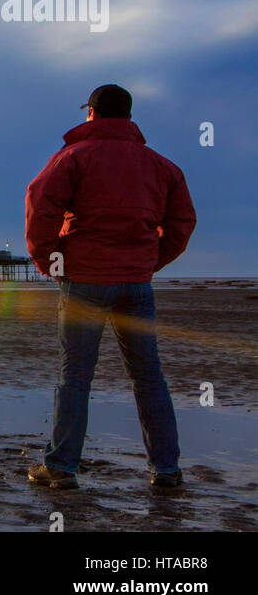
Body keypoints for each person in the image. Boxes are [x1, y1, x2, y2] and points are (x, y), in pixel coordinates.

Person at [24, 84, 196, 491]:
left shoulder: (73, 157)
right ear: (129, 117)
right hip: (136, 284)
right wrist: (150, 261)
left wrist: (51, 261)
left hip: (84, 279)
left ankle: (62, 468)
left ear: (92, 115)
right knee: (148, 376)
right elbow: (182, 222)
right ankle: (167, 471)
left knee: (76, 376)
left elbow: (40, 204)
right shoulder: (162, 166)